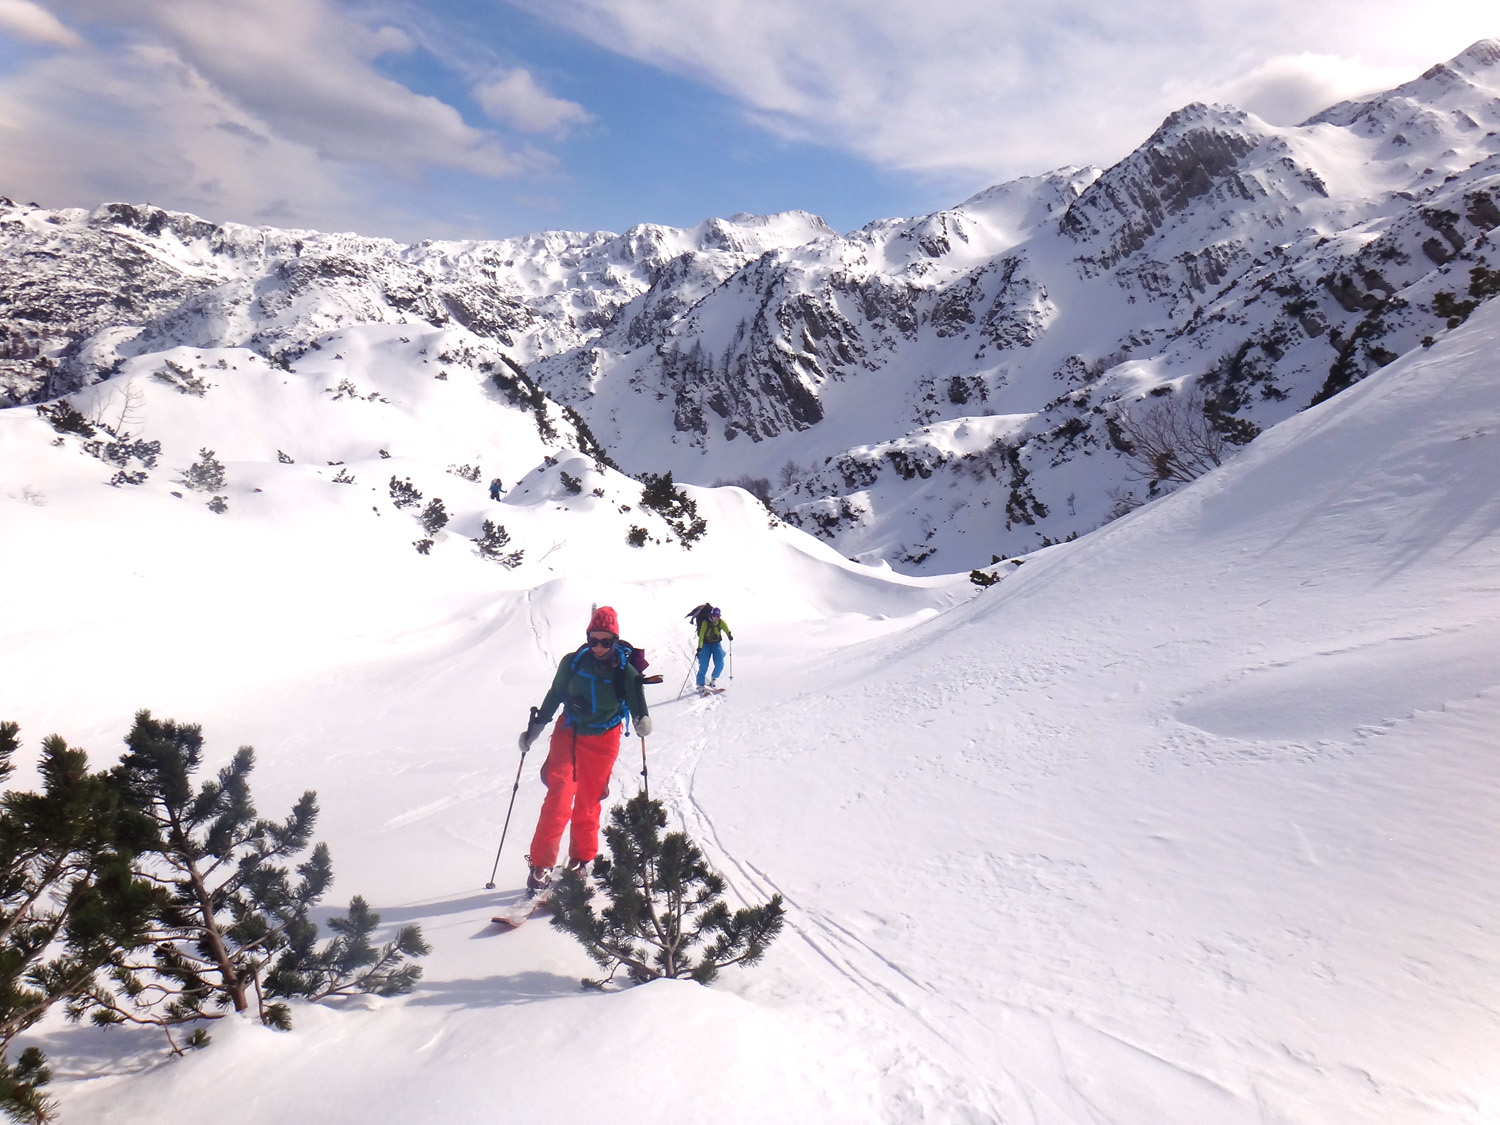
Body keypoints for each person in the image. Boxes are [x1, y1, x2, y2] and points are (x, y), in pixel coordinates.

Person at [516, 606, 651, 894]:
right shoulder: (572, 663)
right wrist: (536, 727)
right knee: (559, 796)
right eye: (594, 640)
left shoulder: (625, 671)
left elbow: (637, 701)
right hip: (570, 732)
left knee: (589, 802)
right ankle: (540, 865)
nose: (599, 647)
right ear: (587, 638)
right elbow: (554, 695)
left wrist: (642, 720)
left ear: (615, 640)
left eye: (606, 641)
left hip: (605, 738)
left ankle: (581, 860)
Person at [694, 606, 733, 692]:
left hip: (716, 644)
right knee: (704, 665)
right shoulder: (705, 623)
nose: (716, 618)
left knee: (720, 663)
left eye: (718, 616)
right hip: (705, 645)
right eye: (715, 616)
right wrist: (699, 647)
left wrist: (729, 635)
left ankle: (713, 679)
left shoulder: (721, 622)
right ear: (712, 615)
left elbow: (726, 629)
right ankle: (700, 684)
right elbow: (701, 636)